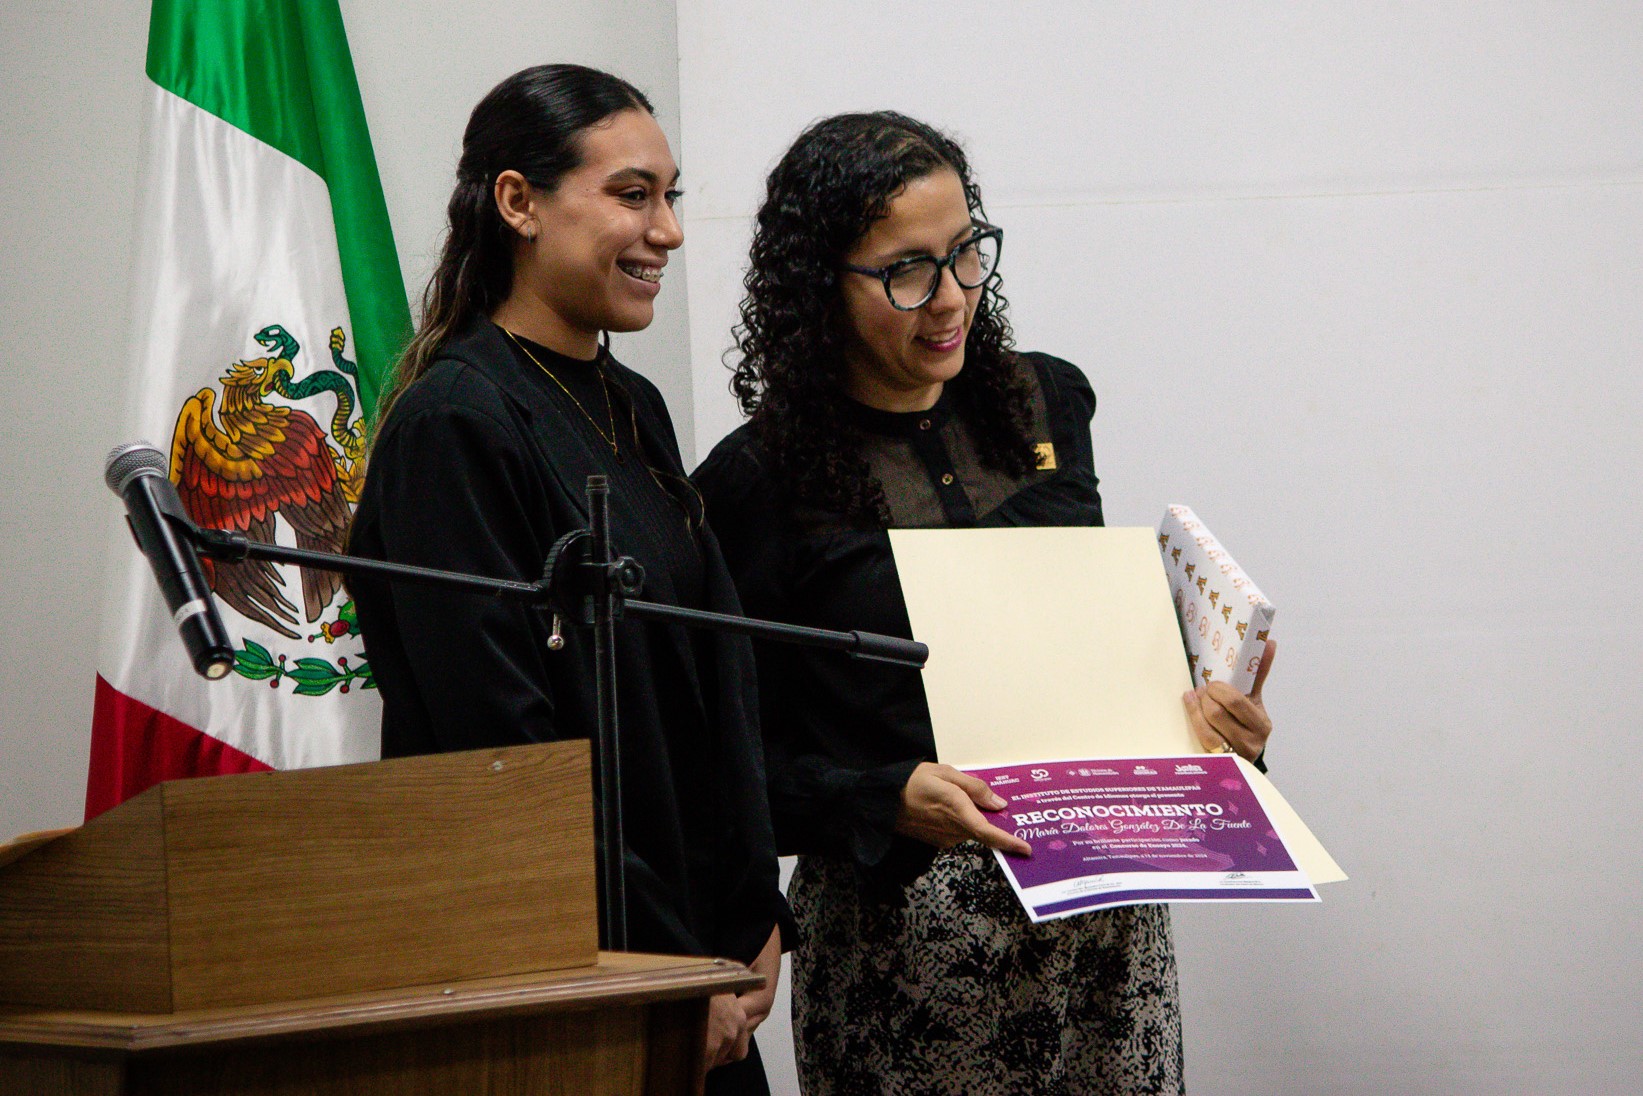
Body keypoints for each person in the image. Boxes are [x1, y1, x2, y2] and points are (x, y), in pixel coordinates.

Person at [693, 112, 1276, 1095]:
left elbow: (1094, 658)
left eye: (966, 252)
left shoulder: (1046, 402)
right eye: (906, 271)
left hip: (1104, 911)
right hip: (907, 935)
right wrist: (879, 797)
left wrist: (1215, 731)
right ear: (819, 286)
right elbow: (728, 765)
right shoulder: (755, 483)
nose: (951, 296)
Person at [348, 64, 791, 1093]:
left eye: (669, 196)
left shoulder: (632, 403)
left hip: (705, 965)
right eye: (631, 195)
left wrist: (755, 914)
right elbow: (504, 749)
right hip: (578, 987)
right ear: (518, 202)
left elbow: (711, 680)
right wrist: (655, 967)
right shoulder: (455, 424)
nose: (666, 230)